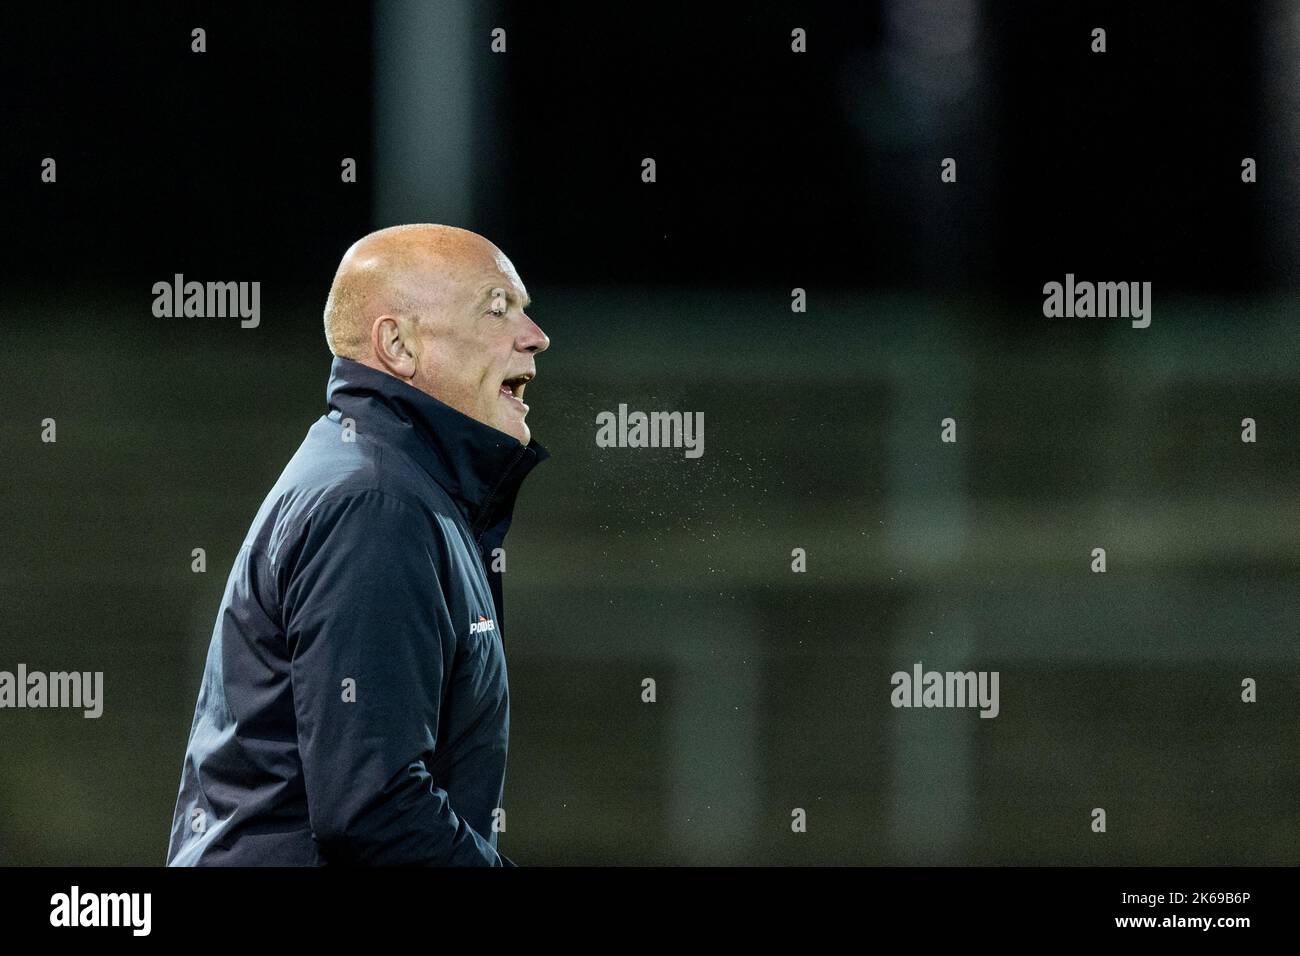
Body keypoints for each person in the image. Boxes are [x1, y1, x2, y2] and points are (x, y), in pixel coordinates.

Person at [166, 224, 550, 865]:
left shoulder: (400, 486)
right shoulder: (375, 503)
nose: (535, 336)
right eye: (496, 308)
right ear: (397, 344)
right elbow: (374, 808)